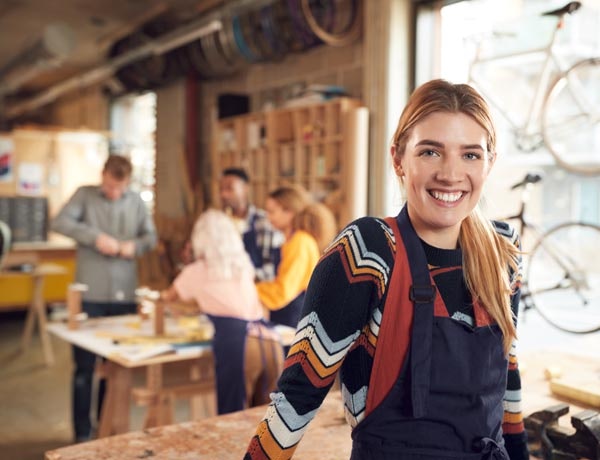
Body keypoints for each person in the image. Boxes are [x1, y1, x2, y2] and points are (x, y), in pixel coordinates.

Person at [244, 79, 529, 460]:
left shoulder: (502, 251)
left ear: (489, 163)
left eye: (470, 155)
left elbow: (507, 376)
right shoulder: (369, 251)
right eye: (430, 152)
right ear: (398, 158)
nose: (450, 173)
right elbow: (297, 397)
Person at [51, 154, 157, 442]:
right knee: (85, 368)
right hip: (90, 294)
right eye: (110, 187)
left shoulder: (135, 201)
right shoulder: (84, 196)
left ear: (127, 182)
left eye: (119, 188)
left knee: (114, 368)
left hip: (123, 295)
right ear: (103, 175)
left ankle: (105, 428)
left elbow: (151, 238)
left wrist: (132, 246)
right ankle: (82, 433)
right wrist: (94, 237)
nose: (114, 193)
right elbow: (59, 222)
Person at [160, 209, 284, 415]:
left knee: (232, 420)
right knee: (267, 423)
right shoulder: (244, 268)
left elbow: (167, 299)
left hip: (240, 344)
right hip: (270, 341)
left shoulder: (197, 271)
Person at [256, 185, 337, 329]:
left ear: (289, 212)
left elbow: (282, 290)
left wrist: (250, 290)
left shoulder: (300, 242)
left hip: (294, 319)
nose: (268, 217)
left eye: (272, 212)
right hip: (288, 315)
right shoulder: (292, 240)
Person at [219, 167, 283, 281]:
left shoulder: (264, 222)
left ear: (245, 188)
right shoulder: (219, 224)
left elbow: (270, 272)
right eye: (221, 189)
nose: (224, 194)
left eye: (229, 189)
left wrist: (240, 277)